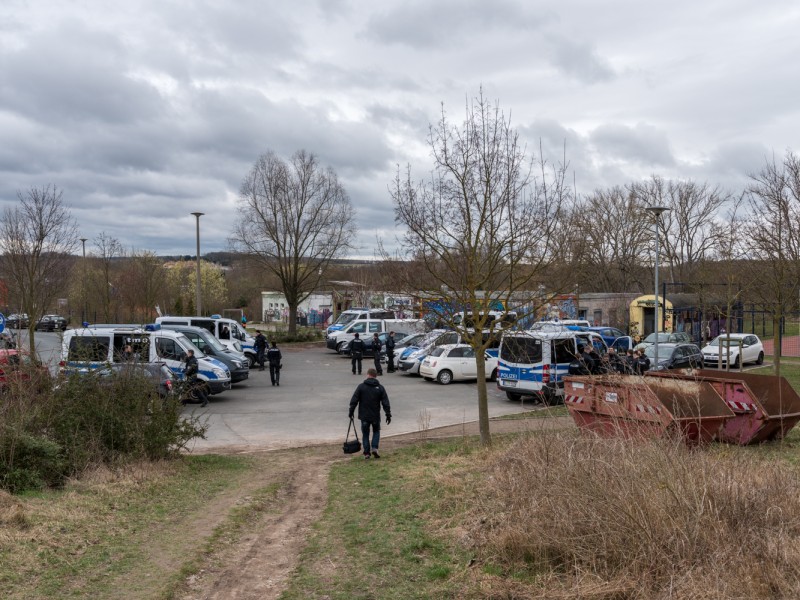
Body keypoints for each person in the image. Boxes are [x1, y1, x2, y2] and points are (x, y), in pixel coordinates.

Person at [348, 368, 392, 460]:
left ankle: (367, 453)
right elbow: (385, 402)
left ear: (368, 375)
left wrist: (351, 412)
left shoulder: (361, 387)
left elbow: (354, 400)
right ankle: (375, 448)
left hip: (364, 416)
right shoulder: (380, 388)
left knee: (365, 434)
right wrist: (388, 414)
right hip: (375, 416)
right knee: (376, 431)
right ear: (375, 376)